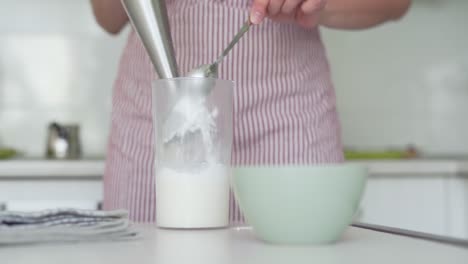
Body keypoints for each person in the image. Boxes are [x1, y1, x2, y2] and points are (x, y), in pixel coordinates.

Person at [91, 0, 411, 223]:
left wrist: (319, 3)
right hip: (157, 130)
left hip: (290, 124)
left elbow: (396, 2)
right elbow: (107, 17)